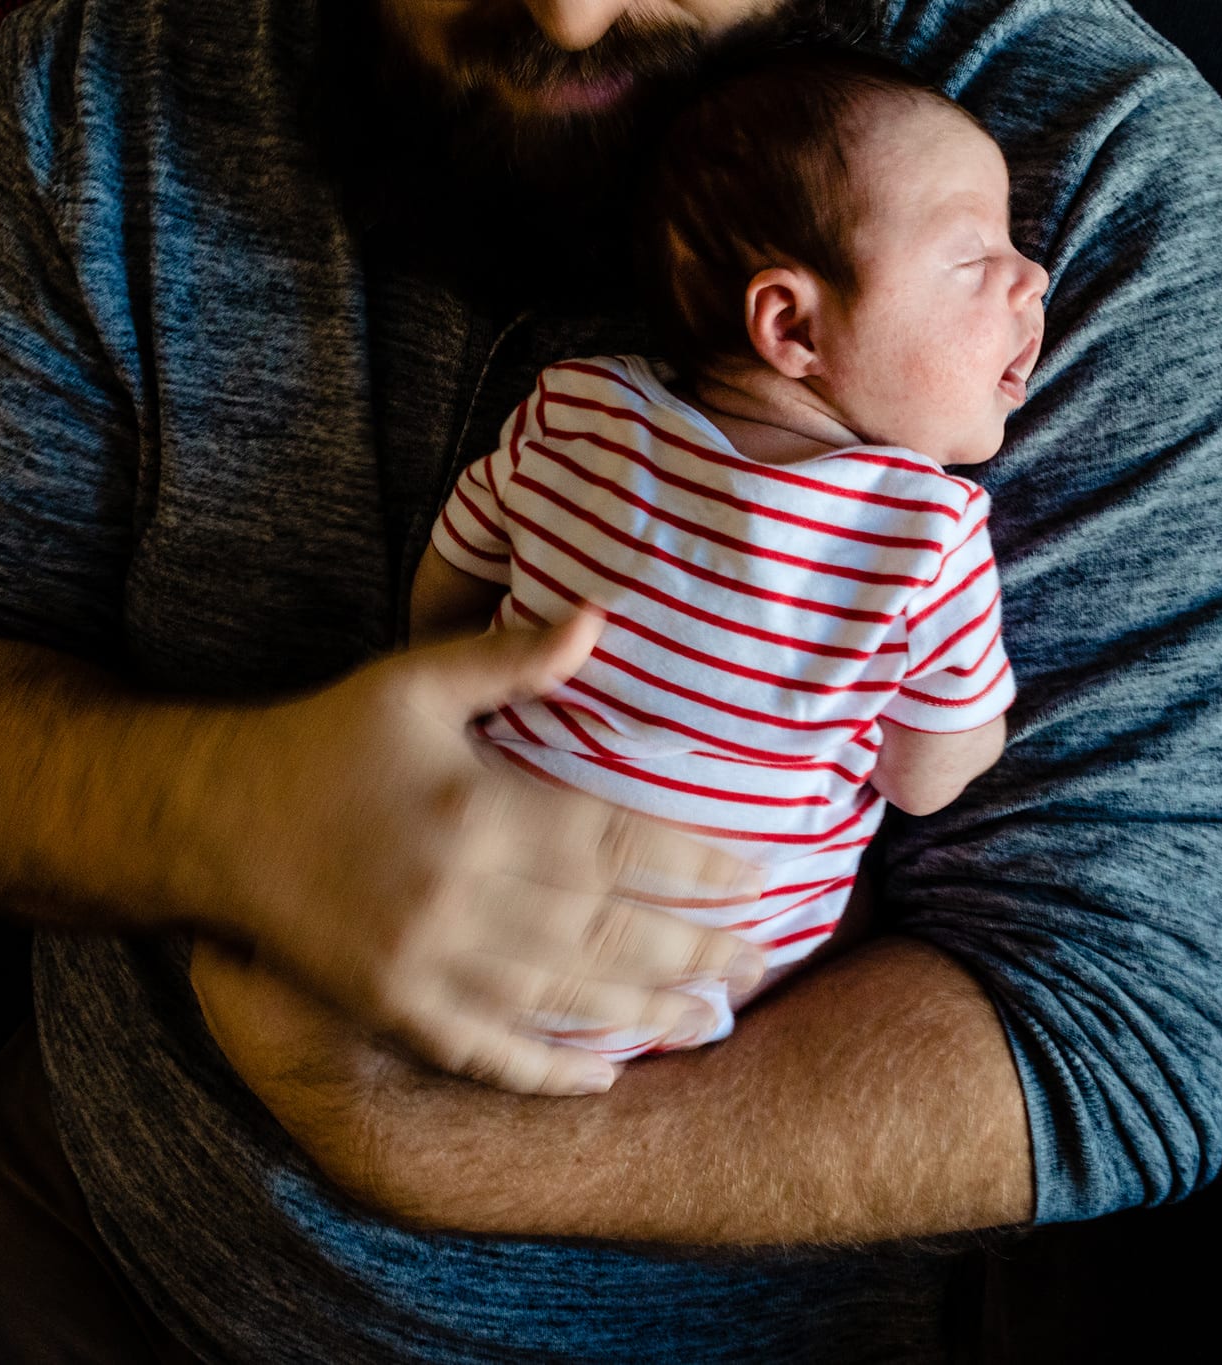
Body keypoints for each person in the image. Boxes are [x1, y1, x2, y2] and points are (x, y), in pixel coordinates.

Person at [0, 0, 1222, 1358]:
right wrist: (214, 813)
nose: (564, 14)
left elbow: (1128, 1050)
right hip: (83, 1230)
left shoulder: (1111, 219)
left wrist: (411, 1137)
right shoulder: (123, 67)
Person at [410, 55, 1038, 1064]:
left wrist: (440, 681)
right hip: (680, 1000)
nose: (1031, 277)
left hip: (455, 924)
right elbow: (922, 782)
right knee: (854, 912)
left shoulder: (577, 409)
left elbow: (454, 565)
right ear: (790, 324)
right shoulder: (923, 535)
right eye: (972, 260)